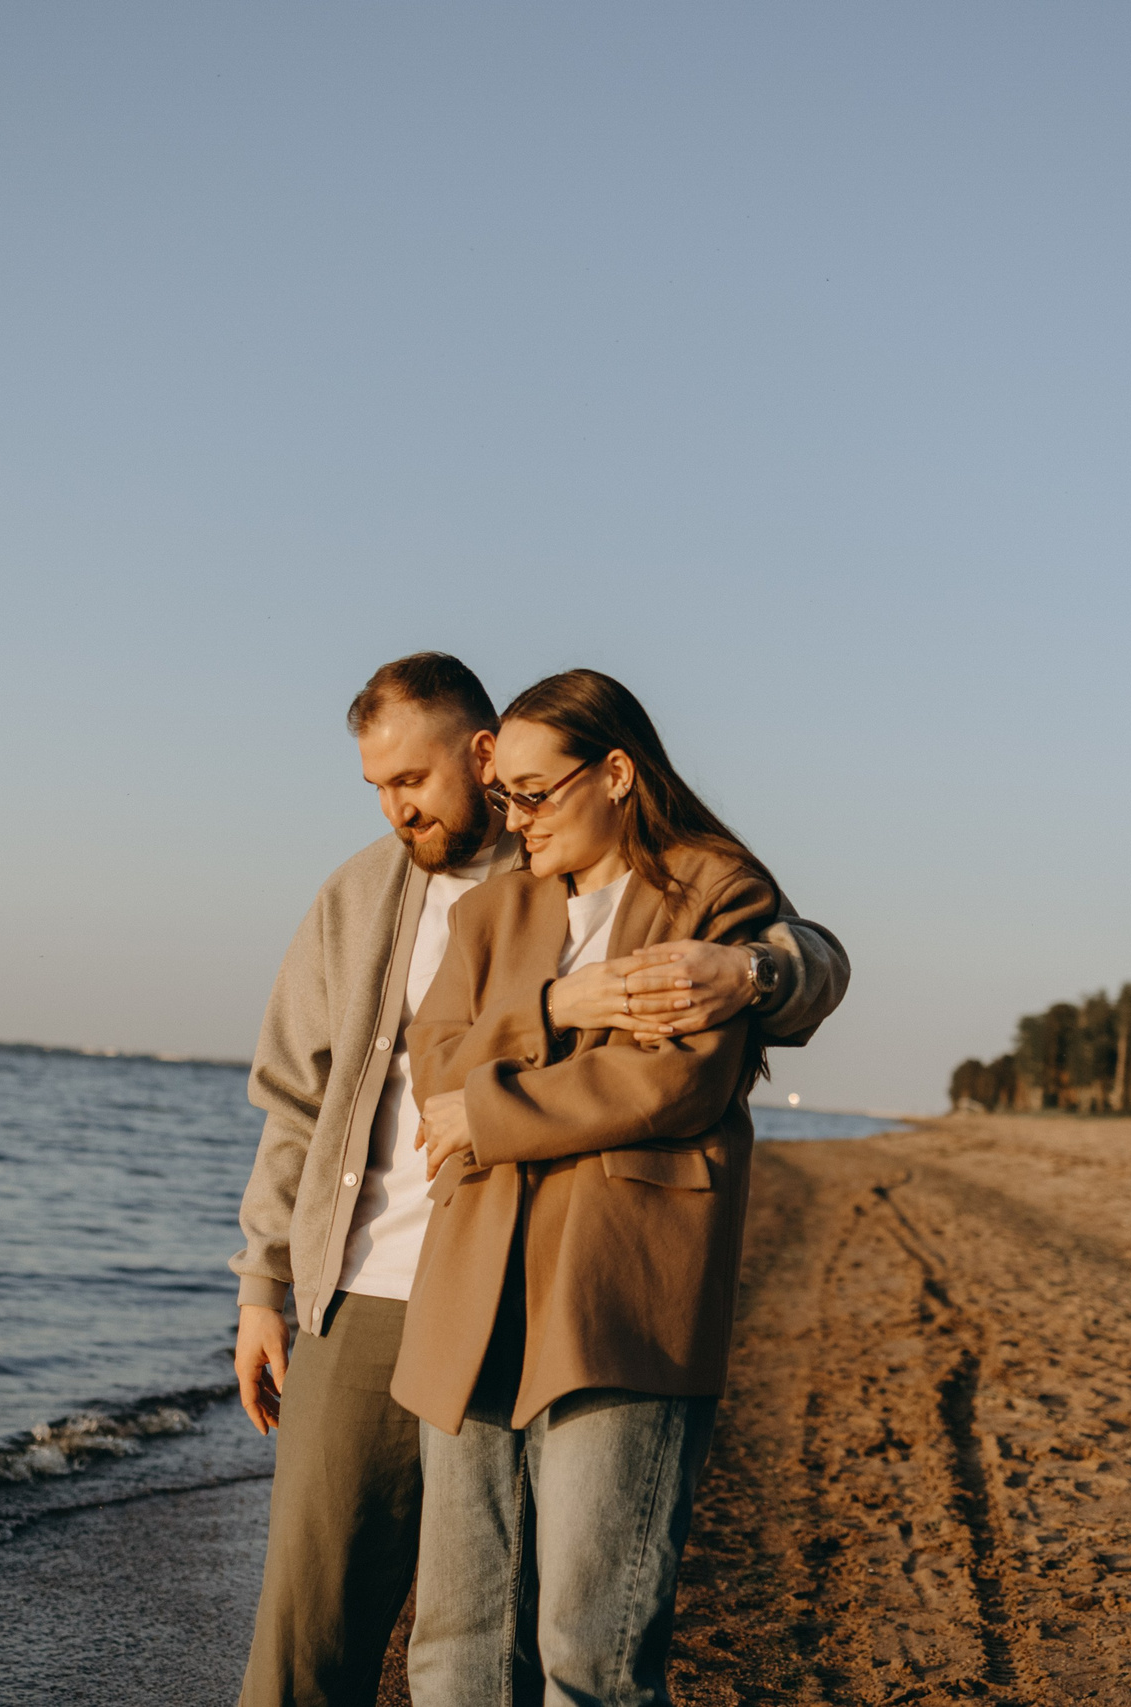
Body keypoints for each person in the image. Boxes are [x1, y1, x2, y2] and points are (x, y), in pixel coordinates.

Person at [232, 654, 849, 1707]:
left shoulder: (679, 880)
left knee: (572, 1649)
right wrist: (263, 1283)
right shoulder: (411, 901)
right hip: (413, 1294)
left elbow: (750, 1014)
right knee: (381, 1642)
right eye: (376, 788)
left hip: (589, 1289)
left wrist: (749, 972)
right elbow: (346, 1084)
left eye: (413, 782)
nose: (397, 810)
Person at [392, 668, 787, 1707]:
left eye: (532, 792)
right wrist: (560, 1003)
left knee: (592, 1659)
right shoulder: (489, 914)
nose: (508, 816)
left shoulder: (715, 891)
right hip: (469, 1301)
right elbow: (432, 1067)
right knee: (451, 1649)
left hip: (621, 1301)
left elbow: (671, 1082)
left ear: (614, 773)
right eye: (502, 794)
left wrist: (488, 1112)